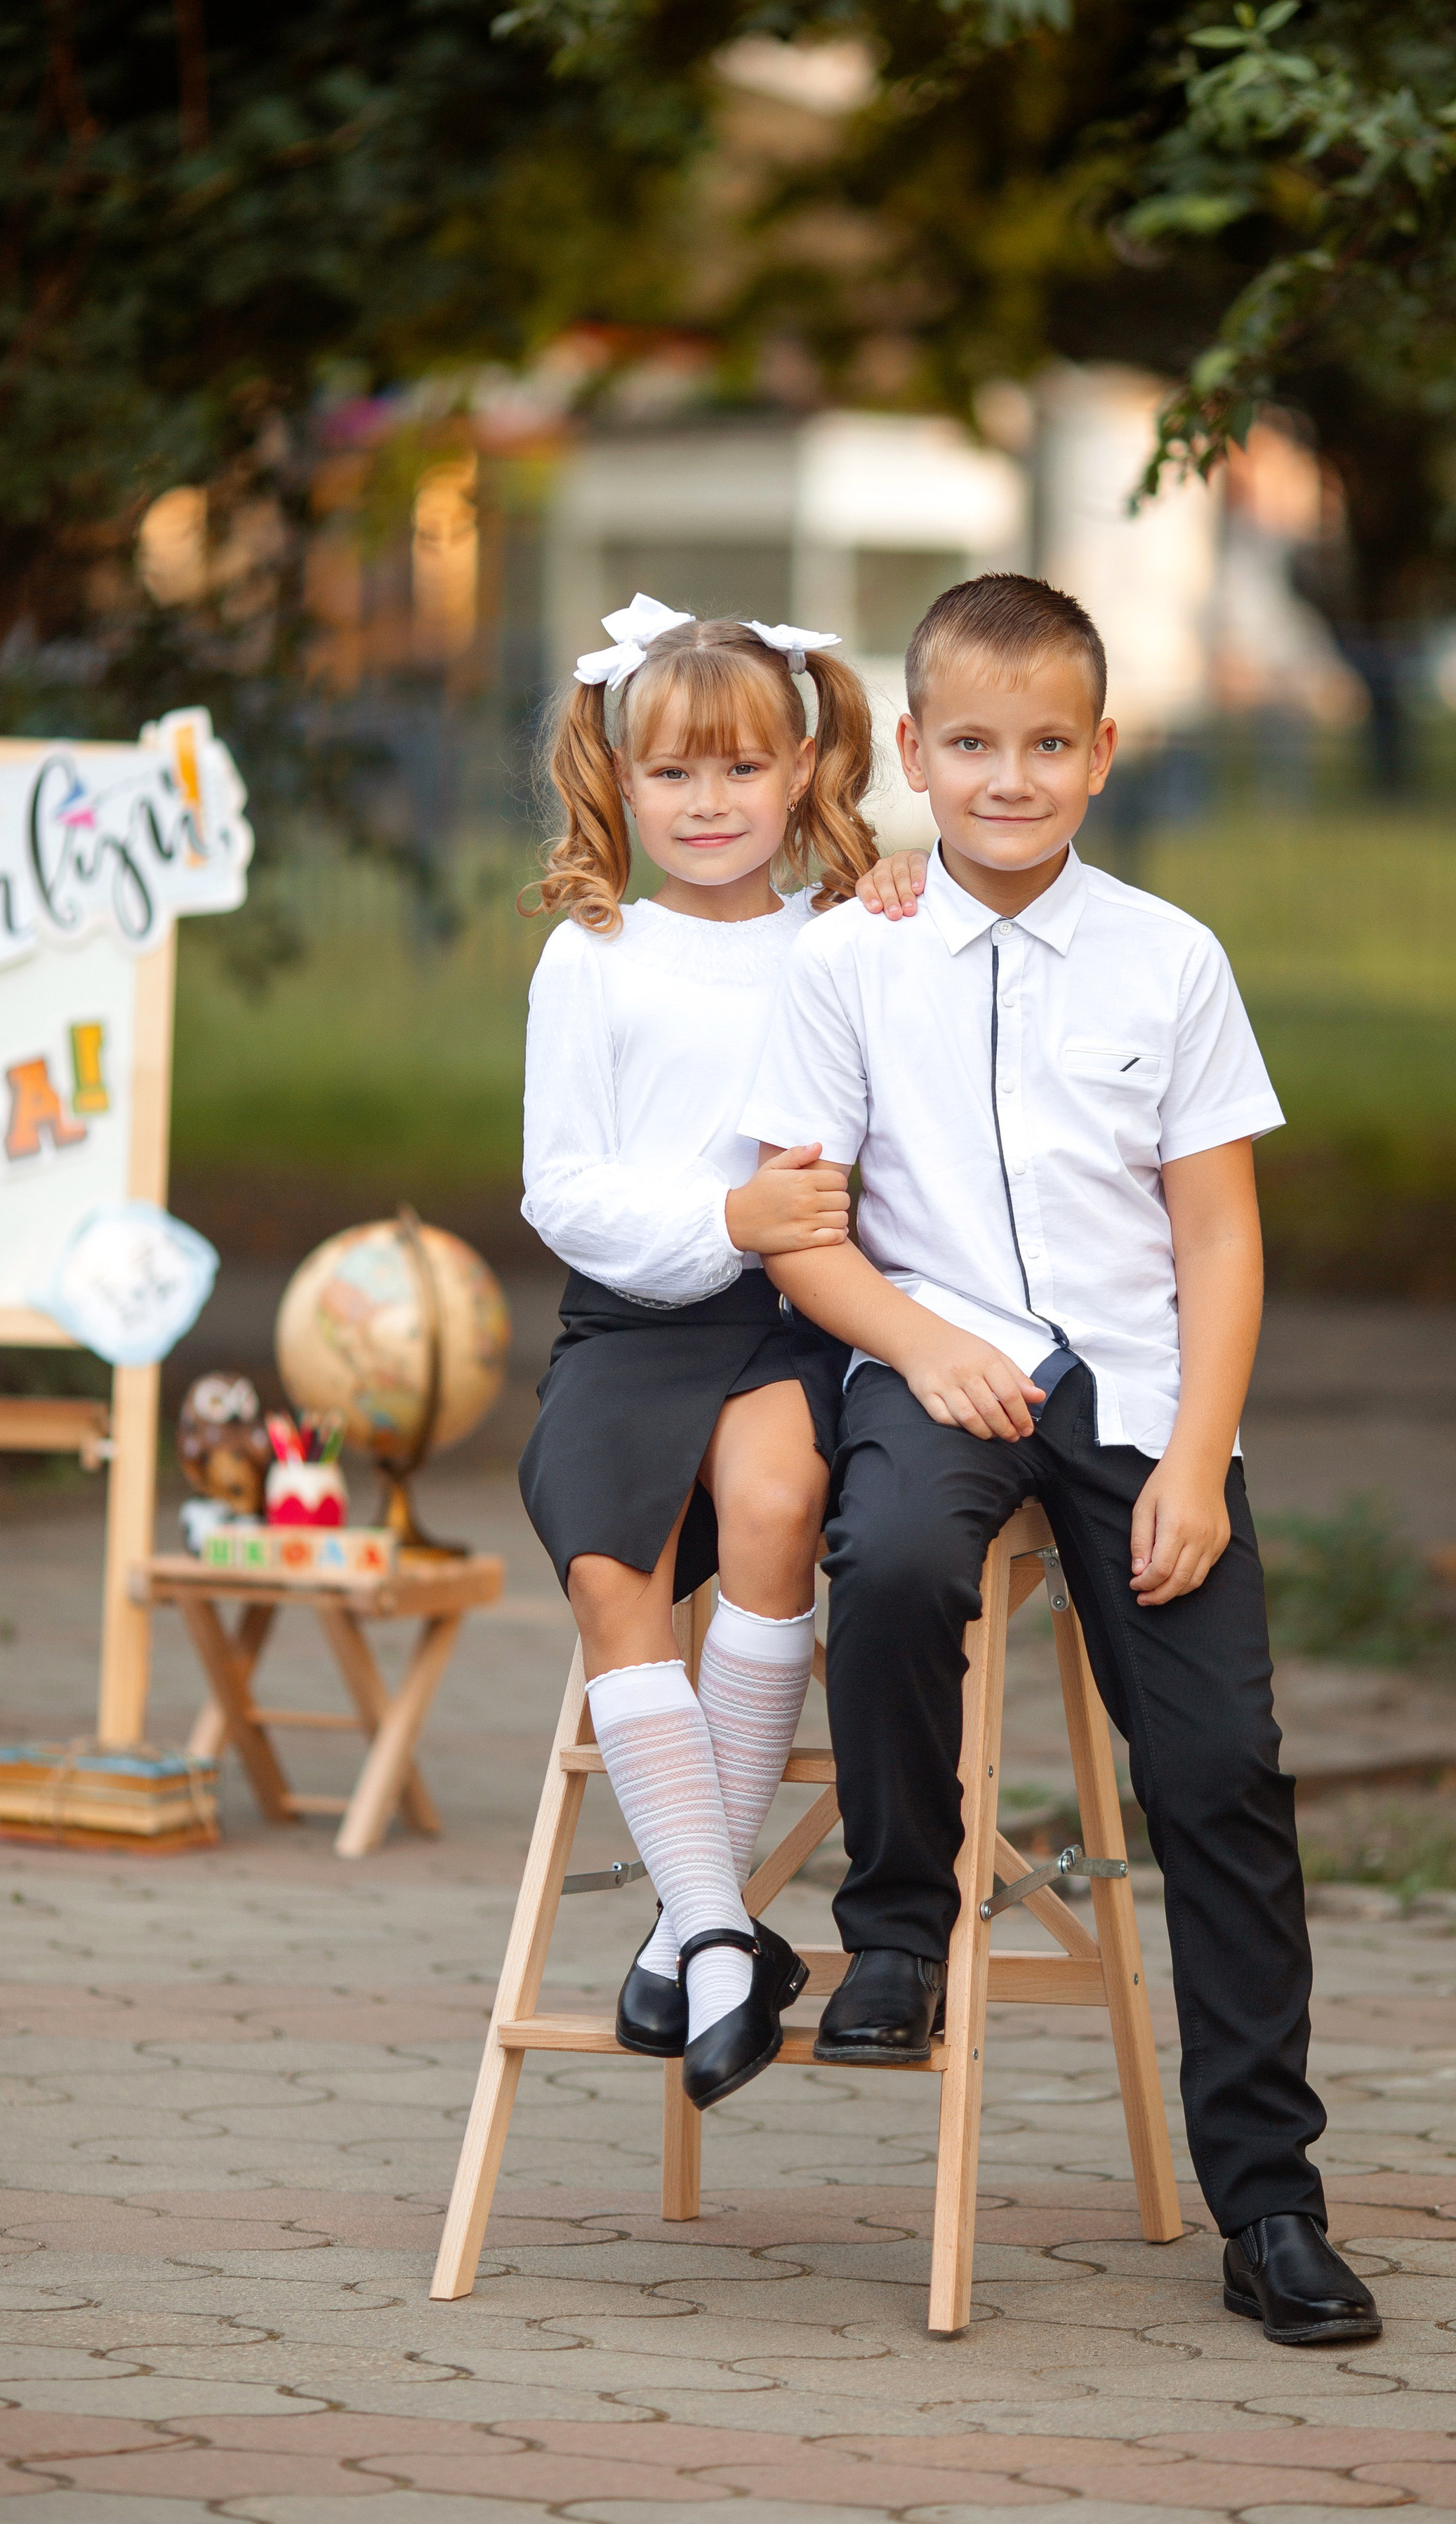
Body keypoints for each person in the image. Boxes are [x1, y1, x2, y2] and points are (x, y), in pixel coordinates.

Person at [740, 573, 1382, 2346]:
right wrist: (918, 1342)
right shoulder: (848, 950)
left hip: (1141, 1400)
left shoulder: (1167, 957)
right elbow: (800, 1227)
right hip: (927, 1357)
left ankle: (1268, 2200)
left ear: (1101, 753)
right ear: (914, 756)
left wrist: (1193, 1457)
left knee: (1222, 1771)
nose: (1006, 777)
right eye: (968, 743)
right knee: (888, 1562)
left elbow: (1221, 1244)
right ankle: (891, 1927)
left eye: (1043, 743)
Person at [518, 593, 877, 2112]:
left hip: (792, 1322)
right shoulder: (593, 957)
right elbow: (564, 1187)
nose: (708, 802)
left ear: (802, 769)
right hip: (630, 1317)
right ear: (619, 777)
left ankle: (686, 1925)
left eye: (740, 770)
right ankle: (725, 1933)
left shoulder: (852, 940)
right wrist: (727, 1211)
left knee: (777, 1506)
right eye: (673, 775)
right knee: (614, 1574)